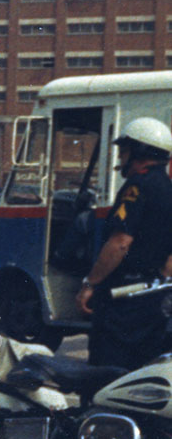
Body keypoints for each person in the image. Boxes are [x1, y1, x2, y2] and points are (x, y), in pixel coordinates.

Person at [76, 117, 172, 370]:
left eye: (124, 151)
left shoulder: (136, 188)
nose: (120, 158)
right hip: (155, 297)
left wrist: (90, 283)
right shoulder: (168, 188)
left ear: (139, 152)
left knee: (106, 370)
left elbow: (120, 242)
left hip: (123, 299)